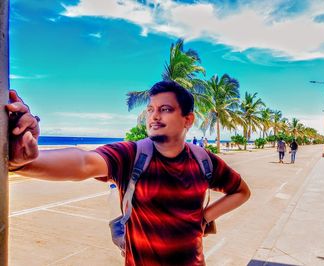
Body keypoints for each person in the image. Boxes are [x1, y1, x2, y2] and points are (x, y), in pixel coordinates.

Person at [7, 81, 251, 266]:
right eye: (150, 109)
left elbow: (241, 191)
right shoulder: (132, 155)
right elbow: (83, 162)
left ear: (188, 119)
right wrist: (25, 161)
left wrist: (204, 217)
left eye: (165, 109)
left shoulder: (203, 160)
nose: (154, 116)